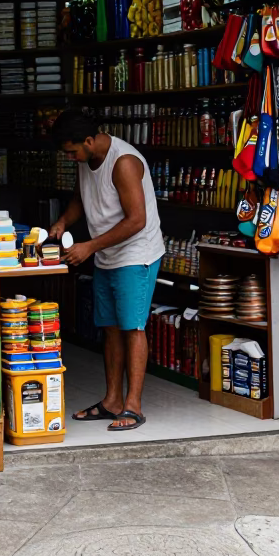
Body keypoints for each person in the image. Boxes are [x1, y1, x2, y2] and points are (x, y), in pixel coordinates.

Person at [49, 109, 165, 432]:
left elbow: (137, 220)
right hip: (107, 254)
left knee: (132, 328)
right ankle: (112, 401)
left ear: (89, 141)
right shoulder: (86, 160)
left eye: (72, 152)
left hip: (136, 254)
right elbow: (80, 198)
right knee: (110, 328)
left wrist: (89, 246)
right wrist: (62, 222)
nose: (70, 158)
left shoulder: (123, 162)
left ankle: (133, 406)